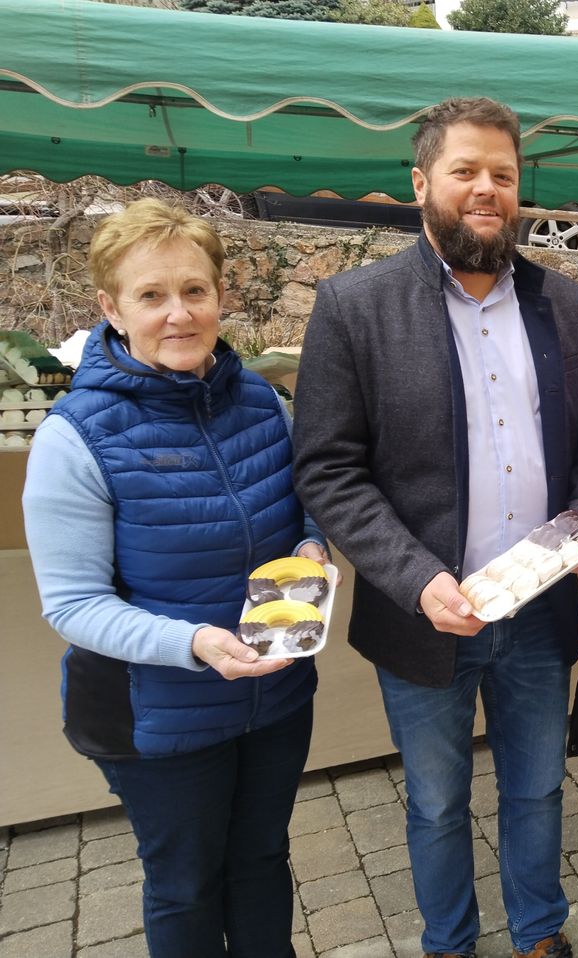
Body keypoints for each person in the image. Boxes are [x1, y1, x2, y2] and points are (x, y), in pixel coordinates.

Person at [290, 96, 578, 958]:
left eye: (502, 176)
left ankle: (539, 931)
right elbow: (327, 468)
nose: (486, 190)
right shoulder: (354, 307)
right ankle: (450, 943)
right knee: (435, 799)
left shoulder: (563, 305)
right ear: (421, 181)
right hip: (423, 614)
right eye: (466, 170)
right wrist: (414, 577)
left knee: (538, 789)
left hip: (537, 612)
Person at [22, 198, 328, 958]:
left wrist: (315, 547)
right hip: (158, 717)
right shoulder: (76, 437)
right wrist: (194, 642)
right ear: (111, 309)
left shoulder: (260, 399)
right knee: (186, 886)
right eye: (151, 295)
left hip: (276, 694)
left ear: (222, 296)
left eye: (194, 290)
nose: (179, 314)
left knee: (262, 863)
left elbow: (302, 509)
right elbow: (72, 604)